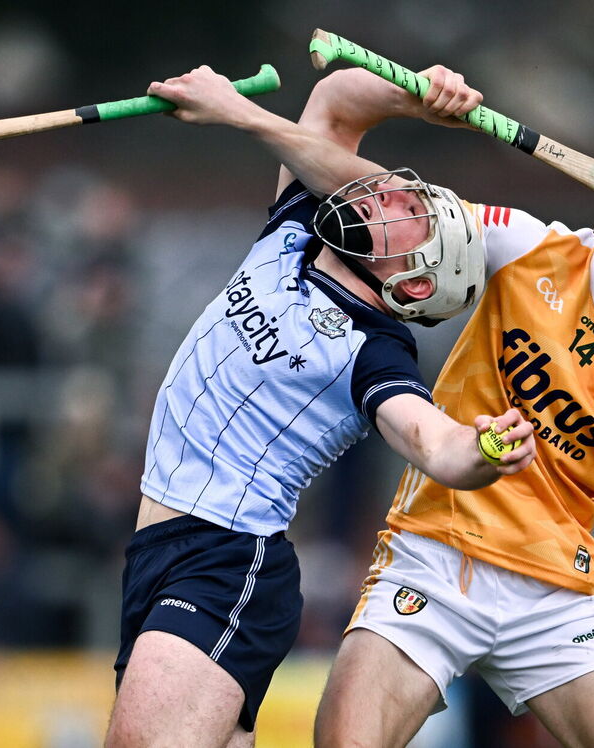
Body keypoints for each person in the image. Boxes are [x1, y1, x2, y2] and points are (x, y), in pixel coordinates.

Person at [308, 67, 594, 748]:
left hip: (556, 597)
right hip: (435, 556)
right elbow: (385, 204)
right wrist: (268, 120)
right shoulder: (528, 245)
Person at [104, 66, 537, 748]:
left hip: (228, 562)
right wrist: (416, 98)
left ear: (416, 280)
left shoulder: (377, 351)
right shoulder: (300, 225)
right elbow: (334, 104)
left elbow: (434, 444)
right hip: (157, 548)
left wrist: (484, 449)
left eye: (409, 214)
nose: (387, 192)